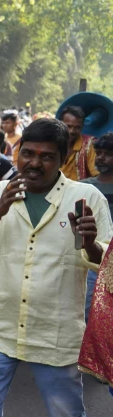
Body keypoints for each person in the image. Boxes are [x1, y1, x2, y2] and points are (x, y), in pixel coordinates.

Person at [0, 118, 111, 417]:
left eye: (46, 156)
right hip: (0, 330)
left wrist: (89, 242)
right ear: (18, 152)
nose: (34, 163)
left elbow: (106, 262)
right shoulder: (1, 192)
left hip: (55, 335)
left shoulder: (86, 197)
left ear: (61, 160)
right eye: (27, 153)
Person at [82, 132, 113, 322]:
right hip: (92, 262)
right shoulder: (84, 188)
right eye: (98, 152)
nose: (101, 158)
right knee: (89, 313)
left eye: (108, 154)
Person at [59, 105, 98, 181]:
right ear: (60, 124)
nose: (72, 131)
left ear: (82, 127)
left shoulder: (90, 144)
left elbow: (97, 175)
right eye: (68, 126)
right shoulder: (51, 143)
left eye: (77, 127)